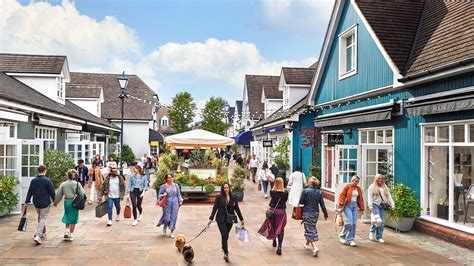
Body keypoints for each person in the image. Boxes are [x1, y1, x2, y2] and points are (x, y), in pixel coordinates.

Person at [209, 182, 245, 262]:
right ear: (222, 189)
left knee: (226, 235)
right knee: (224, 234)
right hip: (220, 219)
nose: (226, 189)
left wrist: (241, 219)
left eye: (227, 188)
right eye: (224, 188)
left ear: (229, 188)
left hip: (230, 220)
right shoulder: (219, 197)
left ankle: (223, 246)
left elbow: (237, 208)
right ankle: (226, 253)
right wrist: (211, 218)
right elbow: (215, 208)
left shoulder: (234, 196)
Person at [24, 165, 55, 245]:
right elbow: (52, 192)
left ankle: (43, 232)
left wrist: (27, 201)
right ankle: (38, 235)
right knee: (42, 218)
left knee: (40, 217)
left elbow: (30, 191)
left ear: (38, 171)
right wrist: (55, 201)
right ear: (45, 170)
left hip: (36, 202)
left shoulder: (33, 180)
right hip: (45, 202)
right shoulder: (48, 180)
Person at [299, 177, 328, 257]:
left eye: (308, 181)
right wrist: (325, 214)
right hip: (315, 213)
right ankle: (307, 244)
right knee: (311, 228)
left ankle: (315, 247)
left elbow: (301, 202)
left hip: (307, 212)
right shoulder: (319, 192)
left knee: (309, 229)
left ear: (311, 183)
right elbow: (322, 205)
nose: (307, 183)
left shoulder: (305, 191)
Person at [258, 178, 288, 255]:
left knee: (273, 226)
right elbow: (285, 200)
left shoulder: (272, 192)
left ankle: (274, 240)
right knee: (281, 229)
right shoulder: (285, 193)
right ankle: (279, 247)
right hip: (281, 212)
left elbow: (273, 193)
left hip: (272, 211)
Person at [53, 169, 85, 241]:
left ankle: (67, 230)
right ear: (74, 176)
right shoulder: (77, 184)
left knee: (67, 215)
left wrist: (55, 202)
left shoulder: (63, 184)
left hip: (67, 201)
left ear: (67, 176)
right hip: (75, 202)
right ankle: (71, 234)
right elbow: (82, 193)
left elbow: (58, 194)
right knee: (74, 218)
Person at [337, 175, 364, 247]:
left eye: (357, 181)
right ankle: (342, 236)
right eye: (354, 181)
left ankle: (351, 239)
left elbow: (360, 199)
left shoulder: (358, 189)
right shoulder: (348, 187)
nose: (356, 182)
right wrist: (341, 204)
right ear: (352, 180)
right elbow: (342, 195)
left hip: (355, 206)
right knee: (349, 222)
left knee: (354, 223)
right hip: (347, 205)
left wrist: (361, 209)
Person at [368, 174, 394, 243]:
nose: (380, 180)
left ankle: (379, 237)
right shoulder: (372, 187)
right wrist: (370, 206)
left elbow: (389, 196)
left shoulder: (385, 187)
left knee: (382, 222)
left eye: (381, 178)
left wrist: (393, 204)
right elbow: (369, 197)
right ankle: (372, 231)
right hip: (375, 205)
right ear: (376, 179)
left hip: (382, 206)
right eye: (379, 178)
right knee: (377, 220)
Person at [157, 173, 183, 238]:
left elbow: (178, 194)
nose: (170, 178)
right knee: (167, 217)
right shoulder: (163, 186)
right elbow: (159, 196)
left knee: (174, 217)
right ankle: (165, 225)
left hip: (175, 202)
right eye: (168, 177)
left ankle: (172, 232)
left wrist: (180, 201)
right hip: (167, 203)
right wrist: (163, 195)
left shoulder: (176, 185)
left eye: (171, 177)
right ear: (166, 179)